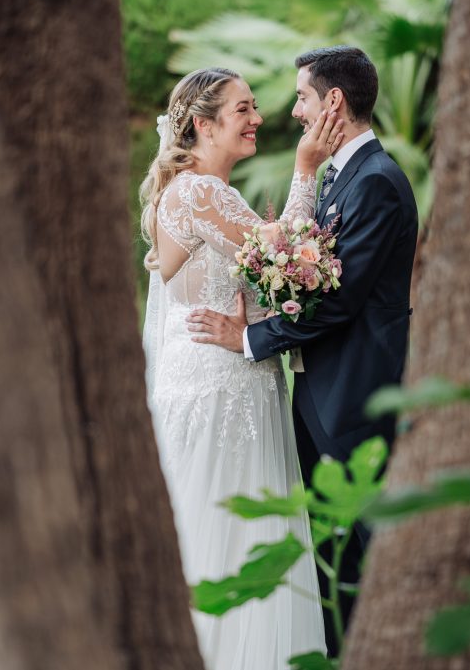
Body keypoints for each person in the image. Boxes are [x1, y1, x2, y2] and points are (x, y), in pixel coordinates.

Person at [186, 47, 418, 656]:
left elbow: (336, 303)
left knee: (357, 552)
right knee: (329, 554)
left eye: (302, 97)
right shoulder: (342, 177)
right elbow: (299, 274)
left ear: (332, 102)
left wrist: (247, 337)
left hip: (355, 395)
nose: (293, 110)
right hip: (319, 394)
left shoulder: (378, 183)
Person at [140, 67, 343, 669]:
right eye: (244, 109)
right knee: (230, 534)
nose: (259, 119)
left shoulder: (194, 193)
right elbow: (283, 255)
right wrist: (306, 170)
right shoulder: (202, 192)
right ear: (203, 124)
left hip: (228, 381)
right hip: (221, 393)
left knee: (228, 535)